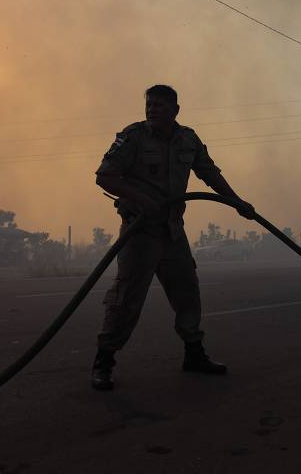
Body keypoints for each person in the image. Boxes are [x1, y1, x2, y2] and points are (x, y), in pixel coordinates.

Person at [91, 84, 256, 390]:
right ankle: (103, 362)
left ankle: (194, 354)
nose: (152, 110)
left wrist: (237, 202)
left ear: (175, 110)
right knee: (126, 298)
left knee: (187, 294)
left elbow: (210, 173)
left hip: (172, 231)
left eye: (160, 105)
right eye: (149, 105)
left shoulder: (188, 139)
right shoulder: (133, 137)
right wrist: (144, 201)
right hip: (139, 233)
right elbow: (105, 176)